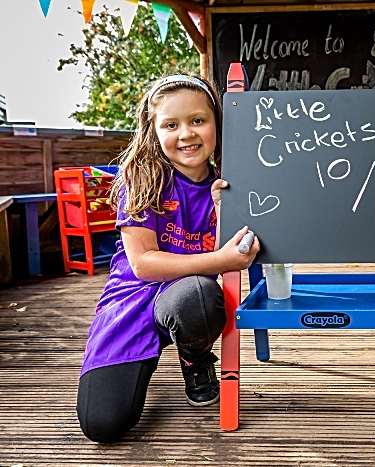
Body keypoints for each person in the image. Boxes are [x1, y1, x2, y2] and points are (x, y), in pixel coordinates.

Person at [76, 74, 260, 443]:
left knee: (198, 297)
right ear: (154, 131)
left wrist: (228, 213)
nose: (187, 134)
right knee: (103, 424)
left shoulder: (235, 181)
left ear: (216, 124)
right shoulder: (141, 178)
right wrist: (221, 260)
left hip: (190, 297)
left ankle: (194, 358)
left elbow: (247, 249)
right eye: (171, 125)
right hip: (133, 296)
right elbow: (143, 265)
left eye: (197, 120)